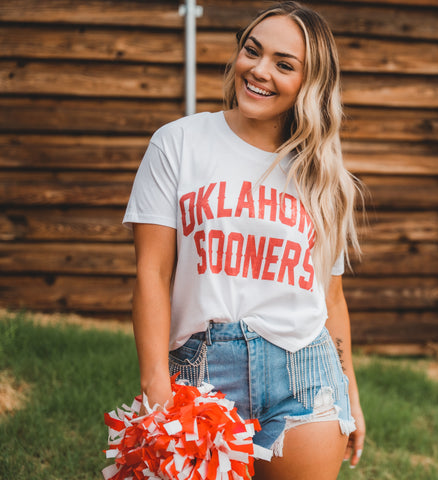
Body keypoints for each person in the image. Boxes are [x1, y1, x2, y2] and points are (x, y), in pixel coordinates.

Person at [123, 2, 366, 478]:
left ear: (310, 83)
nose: (258, 70)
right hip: (201, 372)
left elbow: (330, 296)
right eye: (252, 51)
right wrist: (156, 388)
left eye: (284, 64)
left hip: (306, 374)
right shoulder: (178, 143)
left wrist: (350, 394)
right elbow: (152, 273)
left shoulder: (322, 175)